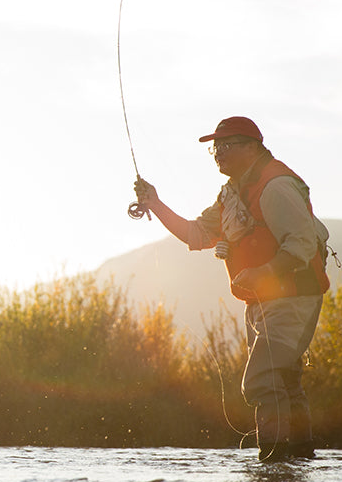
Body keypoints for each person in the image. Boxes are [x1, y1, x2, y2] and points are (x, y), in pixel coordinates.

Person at [133, 116, 330, 461]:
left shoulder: (276, 186)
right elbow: (197, 235)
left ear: (253, 147)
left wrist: (262, 273)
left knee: (261, 380)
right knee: (283, 379)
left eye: (226, 145)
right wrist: (155, 204)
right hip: (262, 301)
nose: (217, 153)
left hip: (293, 297)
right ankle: (296, 461)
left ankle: (274, 457)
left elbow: (300, 245)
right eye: (215, 147)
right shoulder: (231, 193)